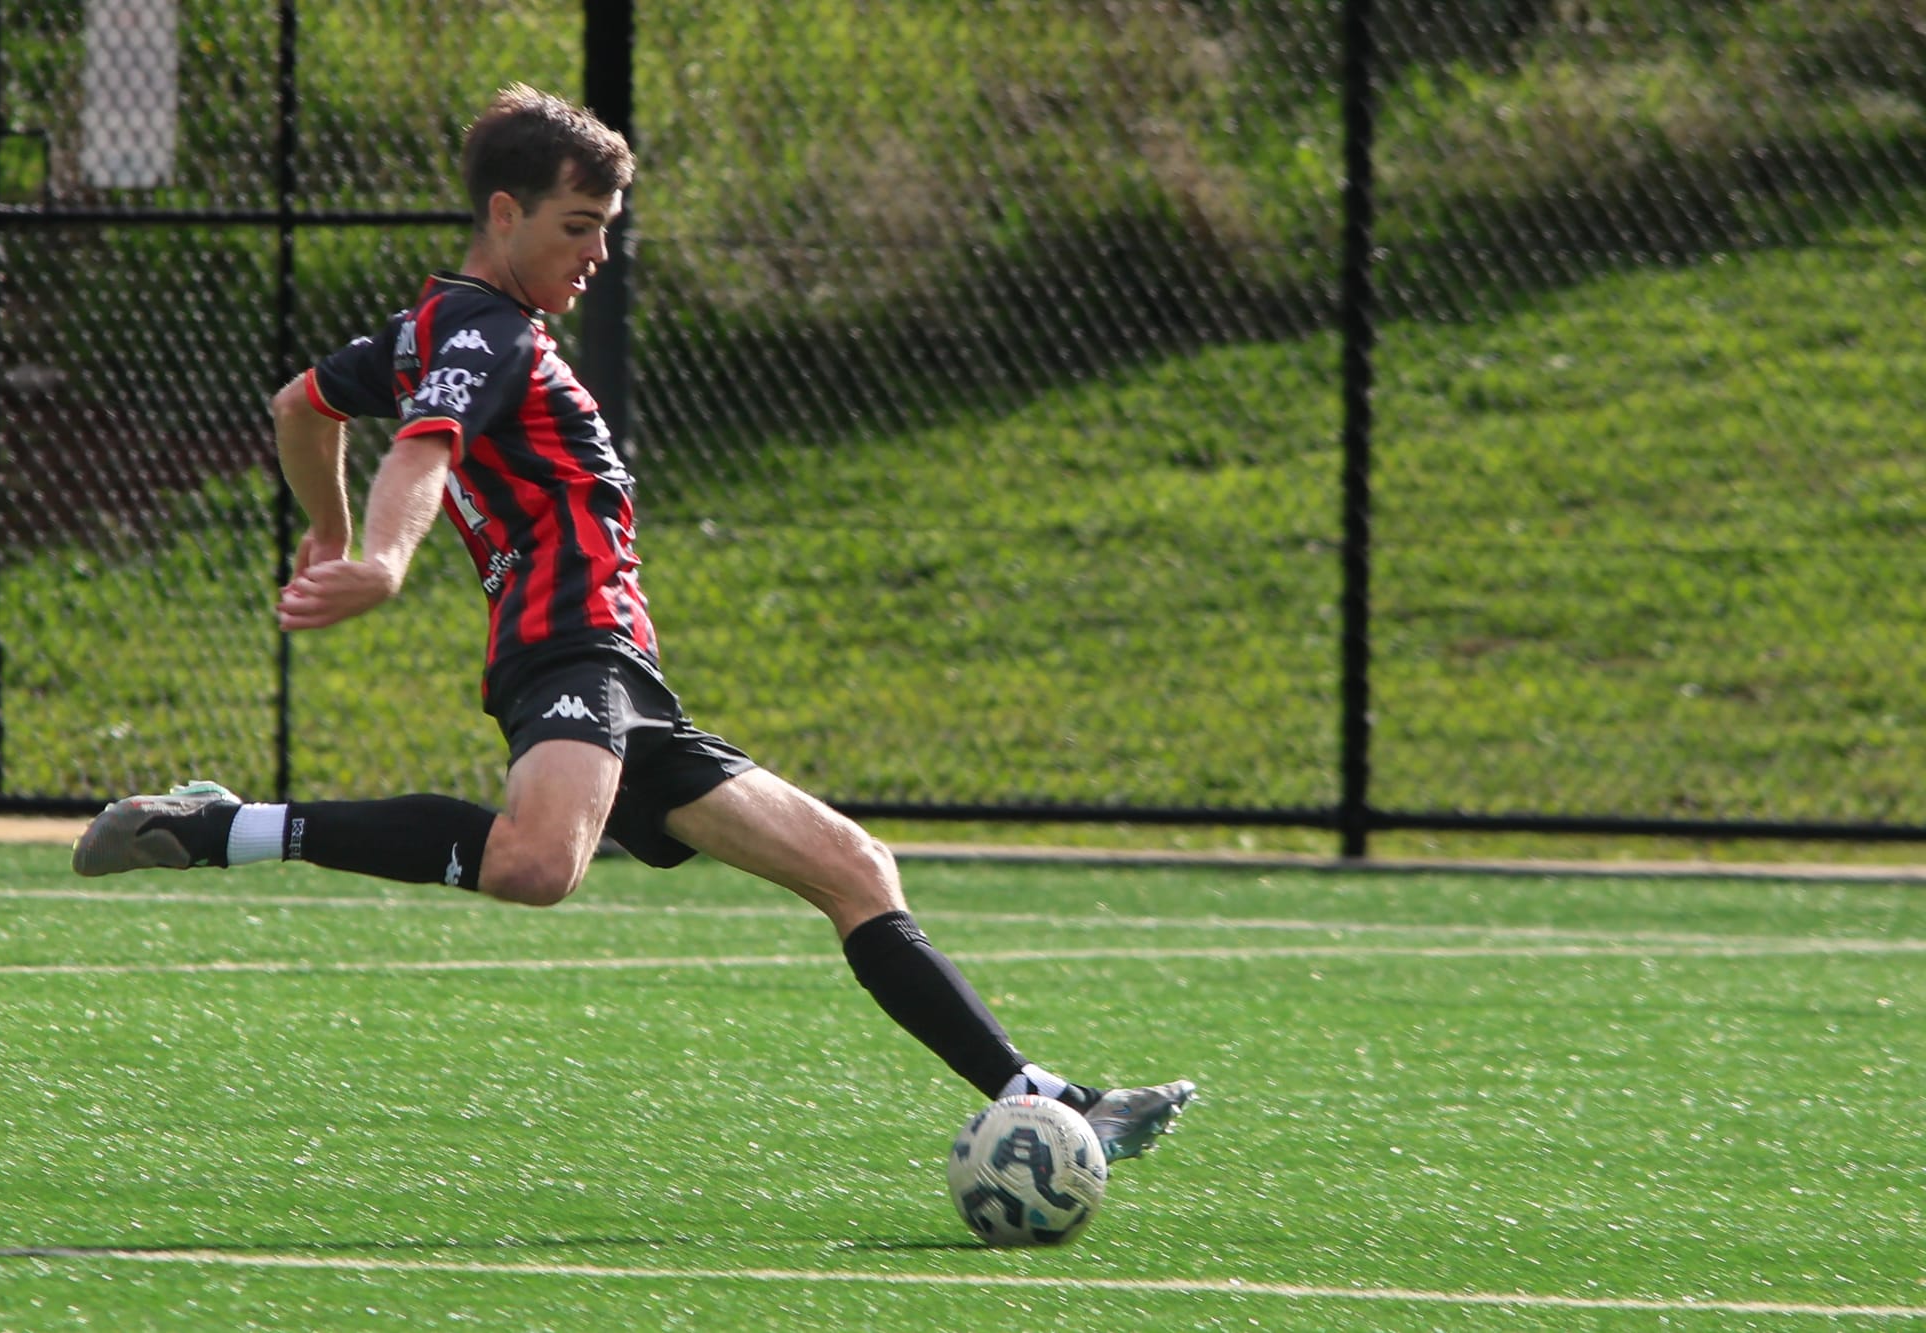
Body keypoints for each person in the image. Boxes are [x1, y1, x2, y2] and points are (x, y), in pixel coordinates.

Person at [73, 84, 1194, 1162]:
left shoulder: (434, 325)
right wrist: (376, 558)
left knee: (854, 865)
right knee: (534, 863)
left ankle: (1043, 1098)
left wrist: (323, 531)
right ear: (504, 217)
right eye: (576, 226)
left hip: (625, 681)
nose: (596, 254)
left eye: (605, 227)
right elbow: (422, 449)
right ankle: (219, 827)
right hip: (570, 646)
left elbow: (300, 406)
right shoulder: (483, 329)